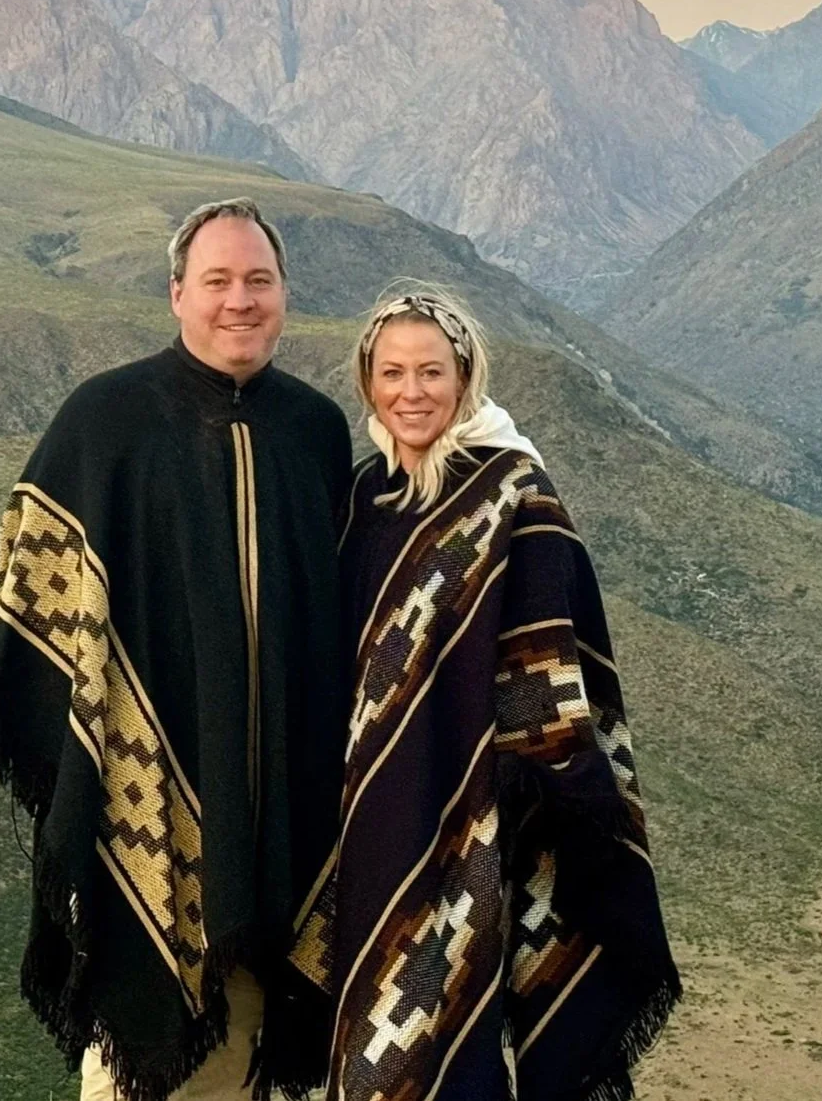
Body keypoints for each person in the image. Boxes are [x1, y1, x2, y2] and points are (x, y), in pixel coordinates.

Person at [0, 198, 353, 1101]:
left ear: (286, 295)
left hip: (290, 840)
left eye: (259, 281)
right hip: (153, 843)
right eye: (216, 281)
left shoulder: (318, 432)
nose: (239, 301)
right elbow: (29, 595)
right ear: (176, 293)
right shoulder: (106, 424)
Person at [290, 286, 681, 1101]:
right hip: (372, 809)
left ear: (466, 377)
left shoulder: (516, 494)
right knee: (376, 1025)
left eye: (431, 372)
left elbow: (547, 660)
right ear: (368, 383)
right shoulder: (367, 496)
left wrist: (566, 801)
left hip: (473, 817)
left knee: (450, 1019)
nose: (411, 392)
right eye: (391, 373)